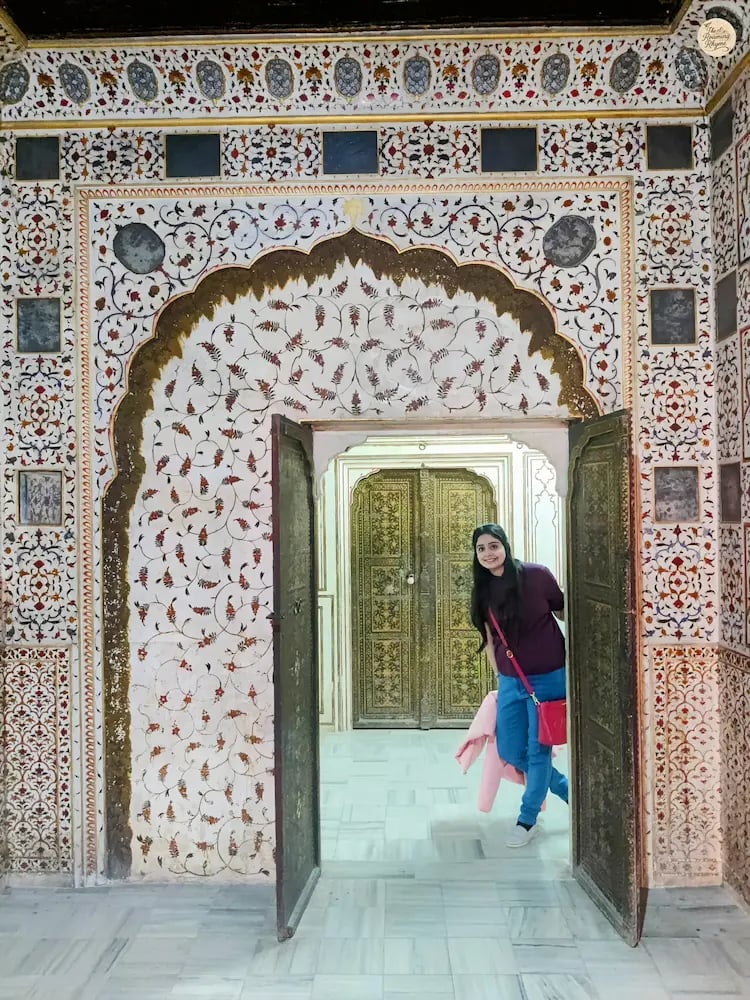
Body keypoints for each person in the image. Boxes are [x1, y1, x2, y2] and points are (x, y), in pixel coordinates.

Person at [470, 523, 568, 848]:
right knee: (510, 749)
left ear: (506, 546)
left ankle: (526, 820)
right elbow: (488, 639)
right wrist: (499, 676)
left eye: (493, 545)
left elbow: (564, 609)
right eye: (481, 548)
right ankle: (570, 791)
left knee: (538, 750)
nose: (488, 553)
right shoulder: (483, 590)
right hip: (512, 681)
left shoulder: (537, 576)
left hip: (548, 677)